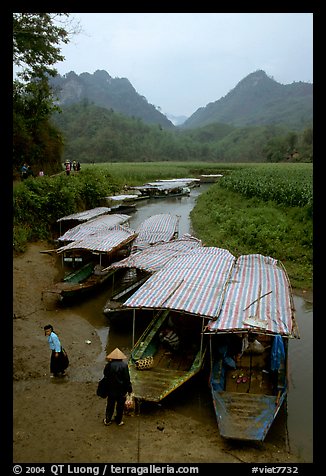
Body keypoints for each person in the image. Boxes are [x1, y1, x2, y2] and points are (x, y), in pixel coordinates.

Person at [102, 348, 132, 427]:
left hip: (111, 390)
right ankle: (118, 421)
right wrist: (129, 389)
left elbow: (105, 375)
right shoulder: (124, 366)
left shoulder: (109, 365)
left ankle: (108, 420)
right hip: (121, 390)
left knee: (110, 405)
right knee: (120, 406)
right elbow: (127, 379)